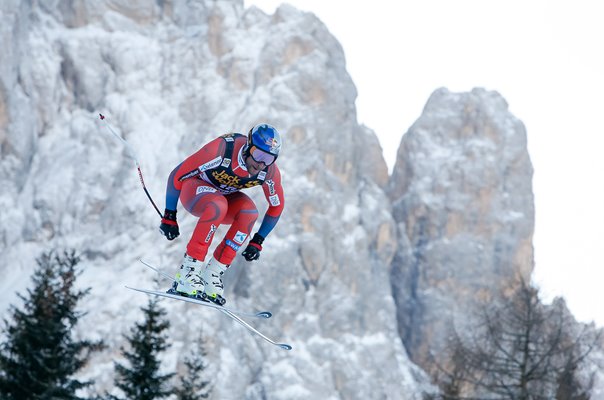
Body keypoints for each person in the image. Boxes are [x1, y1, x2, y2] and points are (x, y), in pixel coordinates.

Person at [158, 124, 284, 305]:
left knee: (249, 212)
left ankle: (212, 274)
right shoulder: (222, 150)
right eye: (258, 155)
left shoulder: (268, 172)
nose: (261, 163)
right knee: (218, 204)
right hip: (195, 190)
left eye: (269, 158)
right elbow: (177, 175)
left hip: (223, 196)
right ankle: (188, 271)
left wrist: (258, 240)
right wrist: (169, 215)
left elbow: (277, 207)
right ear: (248, 147)